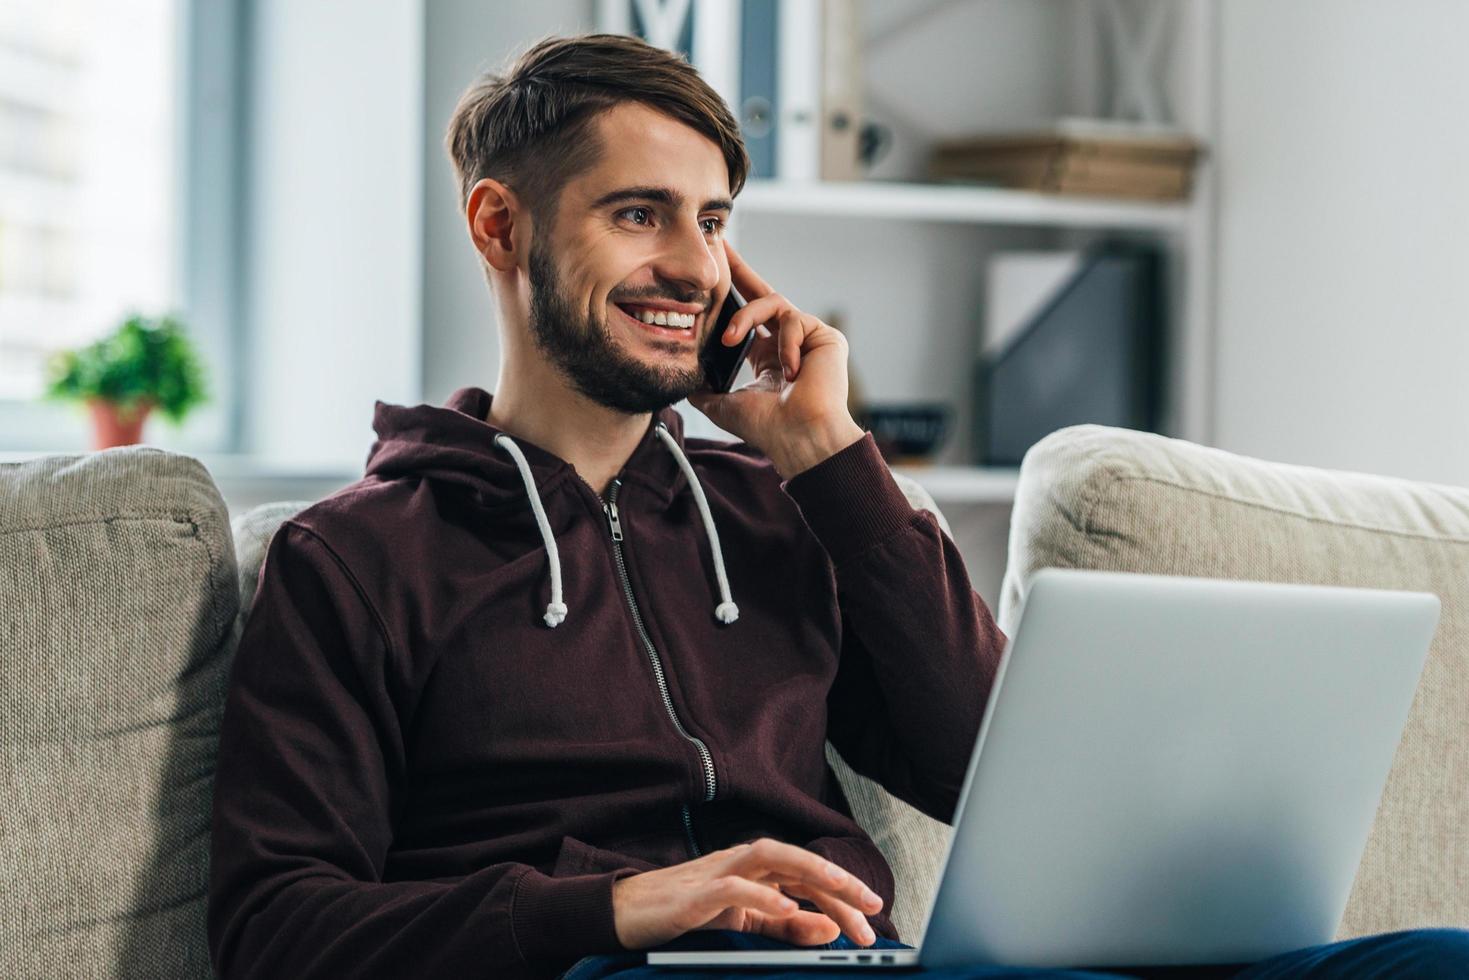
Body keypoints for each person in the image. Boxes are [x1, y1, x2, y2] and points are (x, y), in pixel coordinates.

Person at [205, 32, 1469, 980]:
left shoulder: (775, 509)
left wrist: (827, 457)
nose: (695, 268)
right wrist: (625, 902)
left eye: (712, 221)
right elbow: (275, 924)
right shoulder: (357, 555)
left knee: (1431, 960)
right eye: (638, 214)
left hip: (861, 962)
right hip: (612, 968)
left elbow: (991, 770)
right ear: (500, 227)